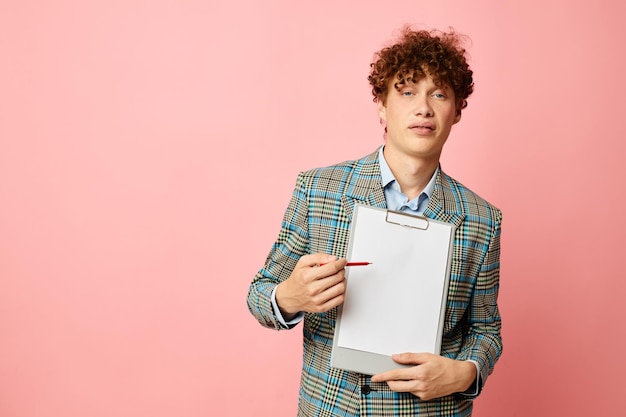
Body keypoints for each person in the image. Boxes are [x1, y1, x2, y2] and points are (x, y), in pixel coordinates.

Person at [247, 26, 503, 417]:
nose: (423, 108)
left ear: (456, 111)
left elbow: (486, 331)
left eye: (439, 94)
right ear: (382, 105)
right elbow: (260, 293)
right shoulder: (319, 190)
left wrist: (465, 373)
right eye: (407, 92)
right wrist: (289, 297)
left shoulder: (482, 220)